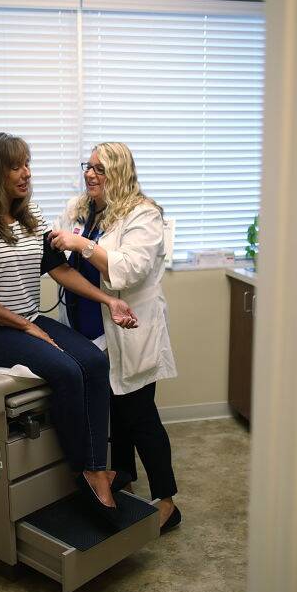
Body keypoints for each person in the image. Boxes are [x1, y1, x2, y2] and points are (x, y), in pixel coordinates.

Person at [0, 132, 138, 524]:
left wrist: (109, 300)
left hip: (27, 320)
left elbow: (59, 269)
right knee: (68, 369)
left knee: (94, 361)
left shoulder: (31, 215)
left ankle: (96, 465)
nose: (26, 173)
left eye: (27, 164)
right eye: (16, 166)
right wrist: (26, 326)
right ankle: (88, 472)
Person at [49, 142, 181, 532]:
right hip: (84, 327)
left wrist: (83, 245)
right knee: (111, 413)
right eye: (88, 167)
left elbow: (130, 268)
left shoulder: (144, 214)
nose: (90, 174)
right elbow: (56, 248)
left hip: (127, 330)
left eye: (100, 169)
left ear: (120, 172)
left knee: (140, 417)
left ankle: (168, 502)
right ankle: (122, 474)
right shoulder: (79, 208)